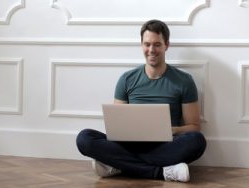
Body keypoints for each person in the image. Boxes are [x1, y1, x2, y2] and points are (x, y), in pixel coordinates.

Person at [76, 19, 206, 182]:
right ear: (141, 45)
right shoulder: (127, 79)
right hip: (130, 144)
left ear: (166, 45)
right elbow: (118, 126)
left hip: (166, 145)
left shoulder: (184, 81)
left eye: (157, 44)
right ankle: (162, 172)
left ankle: (119, 165)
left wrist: (171, 130)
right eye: (147, 44)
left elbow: (194, 127)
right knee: (84, 138)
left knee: (197, 141)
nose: (151, 50)